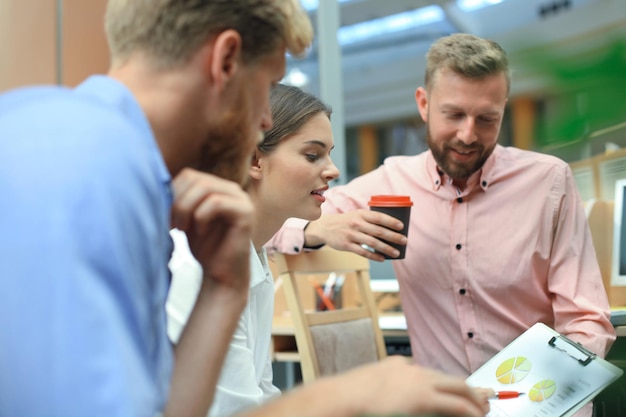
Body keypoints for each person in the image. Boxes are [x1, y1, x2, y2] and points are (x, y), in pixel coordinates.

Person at [267, 33, 616, 416]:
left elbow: (585, 320)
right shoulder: (391, 183)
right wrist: (318, 231)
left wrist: (549, 397)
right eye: (454, 115)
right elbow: (268, 223)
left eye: (487, 119)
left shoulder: (549, 182)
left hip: (536, 404)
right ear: (423, 104)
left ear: (504, 110)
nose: (468, 135)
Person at [0, 1, 312, 416]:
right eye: (267, 85)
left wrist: (222, 290)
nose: (268, 120)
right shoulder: (88, 171)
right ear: (226, 60)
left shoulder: (84, 146)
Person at [166, 83, 340, 417]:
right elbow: (234, 411)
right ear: (255, 159)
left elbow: (262, 392)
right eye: (313, 155)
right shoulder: (196, 266)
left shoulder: (254, 258)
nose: (333, 170)